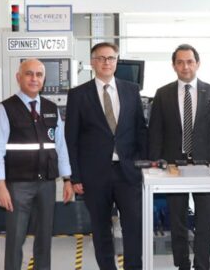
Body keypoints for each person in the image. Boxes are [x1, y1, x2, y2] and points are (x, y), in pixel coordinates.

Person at [65, 42, 148, 270]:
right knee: (101, 229)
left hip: (128, 172)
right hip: (94, 175)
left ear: (116, 61)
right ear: (92, 62)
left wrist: (144, 165)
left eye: (111, 58)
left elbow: (141, 130)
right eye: (100, 58)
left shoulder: (131, 90)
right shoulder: (78, 95)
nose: (106, 62)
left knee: (133, 228)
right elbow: (71, 139)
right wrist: (75, 176)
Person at [148, 44, 210, 270]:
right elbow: (155, 133)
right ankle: (182, 264)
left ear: (198, 63)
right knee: (177, 221)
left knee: (205, 220)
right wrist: (155, 165)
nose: (185, 66)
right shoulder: (163, 94)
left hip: (206, 167)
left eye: (190, 61)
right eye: (180, 62)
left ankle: (202, 265)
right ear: (174, 66)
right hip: (173, 167)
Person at [0, 59, 73, 270]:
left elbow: (60, 146)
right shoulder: (6, 109)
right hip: (18, 185)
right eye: (29, 74)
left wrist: (67, 179)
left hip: (46, 184)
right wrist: (0, 185)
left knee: (45, 237)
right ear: (18, 77)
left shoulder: (51, 108)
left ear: (44, 79)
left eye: (39, 74)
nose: (34, 78)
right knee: (15, 239)